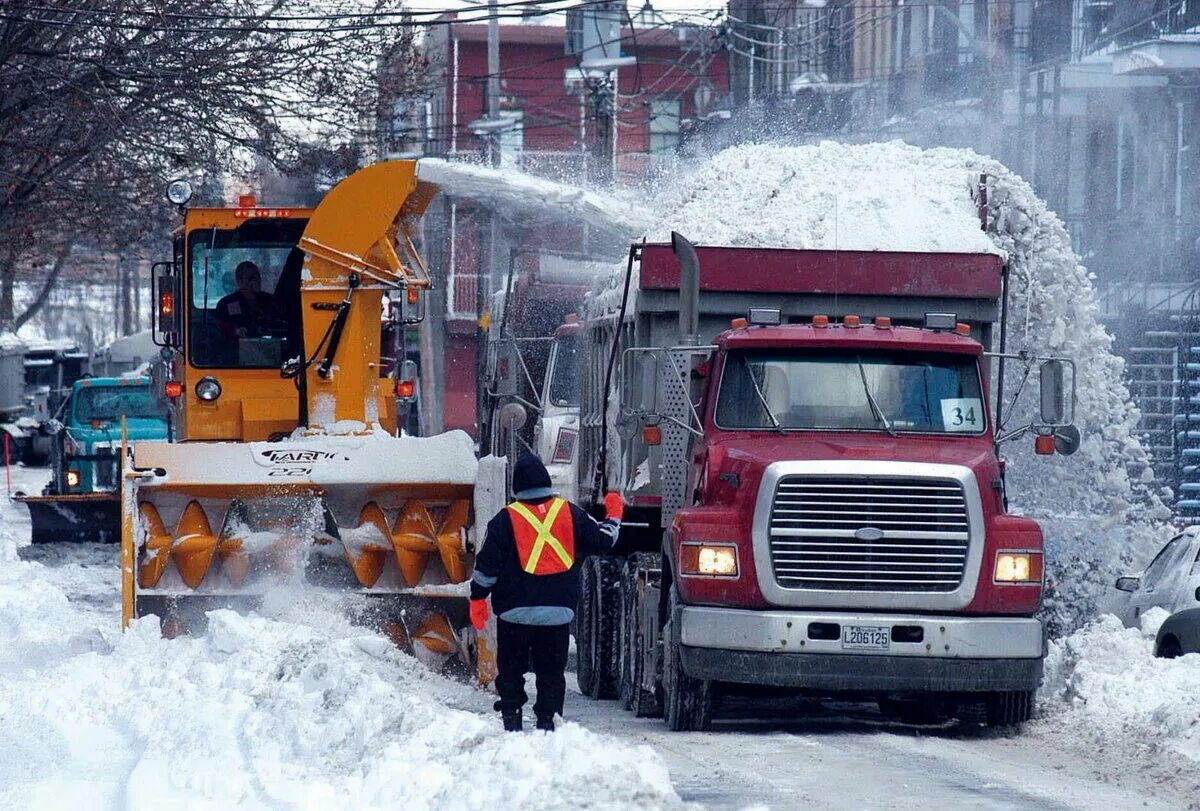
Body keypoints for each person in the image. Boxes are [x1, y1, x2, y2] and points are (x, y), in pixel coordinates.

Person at [469, 453, 624, 732]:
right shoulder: (570, 513)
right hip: (557, 615)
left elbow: (486, 566)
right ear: (546, 481)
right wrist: (614, 515)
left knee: (512, 672)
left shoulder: (505, 519)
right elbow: (603, 540)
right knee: (551, 675)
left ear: (516, 487)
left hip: (514, 615)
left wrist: (478, 597)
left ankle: (512, 720)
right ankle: (548, 726)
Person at [215, 261, 276, 344]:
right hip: (236, 349)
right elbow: (221, 330)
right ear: (239, 281)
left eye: (258, 277)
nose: (256, 281)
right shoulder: (226, 304)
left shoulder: (269, 300)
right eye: (251, 278)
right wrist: (236, 331)